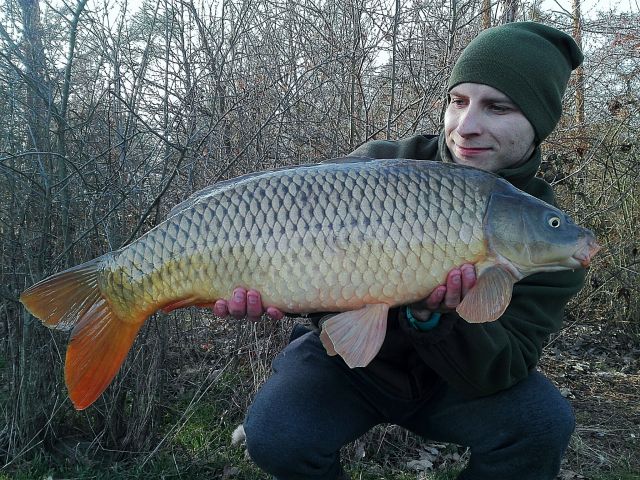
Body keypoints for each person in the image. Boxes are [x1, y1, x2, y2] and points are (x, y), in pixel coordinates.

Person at [214, 22, 586, 480]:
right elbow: (301, 261)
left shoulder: (548, 237)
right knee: (277, 435)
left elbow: (502, 367)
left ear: (538, 121)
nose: (466, 127)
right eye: (458, 101)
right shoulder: (379, 169)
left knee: (542, 424)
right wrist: (259, 289)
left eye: (497, 107)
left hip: (455, 381)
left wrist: (430, 319)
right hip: (351, 367)